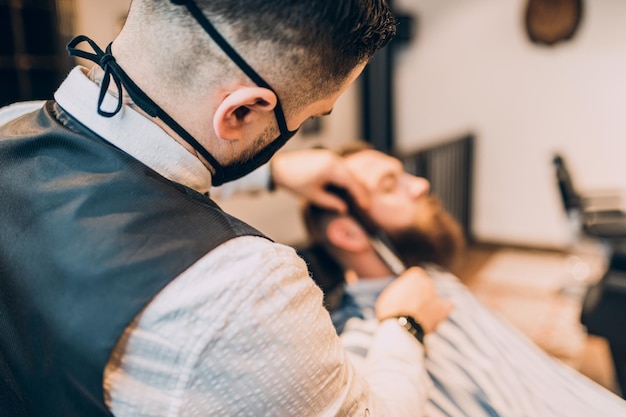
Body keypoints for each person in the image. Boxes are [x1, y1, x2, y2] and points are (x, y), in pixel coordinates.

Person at [0, 1, 461, 416]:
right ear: (241, 113)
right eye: (312, 116)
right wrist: (406, 325)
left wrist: (274, 172)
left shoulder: (10, 122)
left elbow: (134, 175)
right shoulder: (240, 288)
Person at [300, 143, 626, 417]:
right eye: (389, 184)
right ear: (348, 233)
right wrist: (405, 326)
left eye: (405, 175)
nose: (420, 184)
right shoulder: (364, 349)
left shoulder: (435, 276)